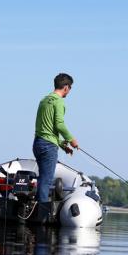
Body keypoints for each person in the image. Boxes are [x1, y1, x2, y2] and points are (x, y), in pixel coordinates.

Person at [32, 73, 79, 222]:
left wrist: (63, 146)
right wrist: (71, 139)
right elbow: (59, 124)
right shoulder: (58, 102)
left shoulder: (44, 100)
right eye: (70, 88)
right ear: (66, 87)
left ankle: (36, 213)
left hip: (38, 143)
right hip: (48, 147)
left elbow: (46, 129)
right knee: (46, 181)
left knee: (42, 179)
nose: (69, 92)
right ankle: (42, 219)